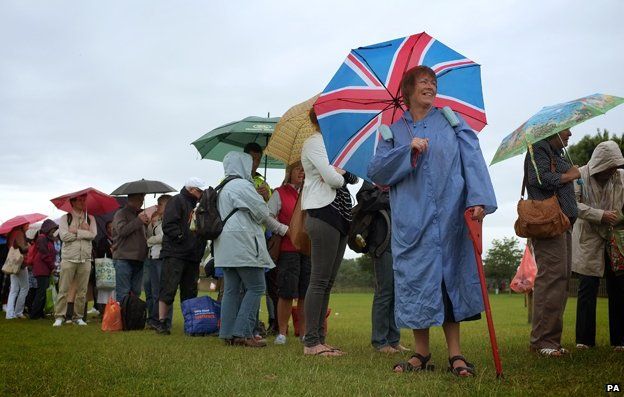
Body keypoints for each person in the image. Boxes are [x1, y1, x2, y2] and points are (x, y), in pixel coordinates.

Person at [368, 66, 497, 376]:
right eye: (423, 82)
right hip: (413, 222)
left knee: (449, 281)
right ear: (408, 91)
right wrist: (406, 151)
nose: (430, 87)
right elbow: (378, 172)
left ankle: (456, 355)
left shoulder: (452, 122)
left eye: (433, 83)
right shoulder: (392, 132)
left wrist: (477, 199)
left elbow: (473, 157)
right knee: (417, 284)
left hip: (452, 217)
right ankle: (421, 353)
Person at [301, 109, 359, 356]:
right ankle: (311, 342)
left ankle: (320, 339)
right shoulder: (315, 142)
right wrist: (340, 172)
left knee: (328, 282)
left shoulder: (336, 145)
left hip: (340, 215)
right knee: (319, 280)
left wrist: (341, 171)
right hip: (322, 213)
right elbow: (334, 180)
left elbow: (354, 177)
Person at [524, 128, 579, 356]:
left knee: (562, 278)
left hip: (562, 223)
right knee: (551, 279)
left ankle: (551, 340)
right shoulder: (538, 148)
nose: (570, 134)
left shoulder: (556, 153)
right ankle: (542, 342)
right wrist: (570, 176)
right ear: (553, 131)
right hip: (549, 223)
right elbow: (539, 178)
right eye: (566, 130)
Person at [215, 152, 274, 347]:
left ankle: (227, 333)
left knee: (231, 290)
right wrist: (262, 197)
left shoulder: (222, 187)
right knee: (256, 287)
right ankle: (243, 333)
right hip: (244, 243)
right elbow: (262, 212)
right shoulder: (243, 185)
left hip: (225, 245)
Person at [572, 141, 624, 352]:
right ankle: (584, 340)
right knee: (588, 286)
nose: (613, 170)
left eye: (615, 166)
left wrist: (617, 216)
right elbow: (572, 204)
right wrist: (599, 215)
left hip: (613, 237)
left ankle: (620, 340)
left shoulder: (620, 177)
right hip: (588, 237)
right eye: (609, 166)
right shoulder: (579, 176)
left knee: (619, 286)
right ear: (600, 163)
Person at [356, 181, 408, 354]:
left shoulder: (400, 177)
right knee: (384, 292)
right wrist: (392, 196)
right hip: (382, 243)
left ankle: (394, 340)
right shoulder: (374, 175)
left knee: (395, 293)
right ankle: (380, 341)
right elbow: (364, 199)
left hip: (400, 244)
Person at [266, 162, 311, 345]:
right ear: (289, 172)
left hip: (307, 249)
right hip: (287, 250)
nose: (302, 172)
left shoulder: (310, 193)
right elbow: (266, 216)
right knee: (286, 292)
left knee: (305, 293)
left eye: (304, 169)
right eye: (297, 168)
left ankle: (303, 332)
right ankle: (282, 332)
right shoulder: (279, 192)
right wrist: (285, 230)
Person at [154, 179, 207, 335]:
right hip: (175, 253)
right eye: (199, 190)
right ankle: (162, 322)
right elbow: (169, 225)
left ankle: (190, 324)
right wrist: (182, 238)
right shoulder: (177, 200)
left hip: (193, 255)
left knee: (190, 291)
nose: (201, 193)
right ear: (190, 189)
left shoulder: (200, 205)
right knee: (168, 287)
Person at [244, 142, 278, 335]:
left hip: (262, 237)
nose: (255, 163)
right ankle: (245, 323)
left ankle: (266, 322)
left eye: (258, 159)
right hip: (243, 236)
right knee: (245, 284)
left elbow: (271, 211)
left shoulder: (262, 182)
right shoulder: (234, 180)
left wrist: (266, 196)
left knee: (264, 282)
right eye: (251, 159)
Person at [54, 194, 97, 327]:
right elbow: (64, 236)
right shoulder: (65, 218)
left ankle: (78, 317)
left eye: (84, 200)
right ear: (72, 202)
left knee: (82, 290)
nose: (83, 202)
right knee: (63, 289)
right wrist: (82, 232)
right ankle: (59, 316)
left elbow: (93, 235)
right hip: (68, 258)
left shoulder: (90, 218)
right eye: (80, 200)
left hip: (85, 259)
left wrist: (77, 232)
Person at [112, 193, 149, 303]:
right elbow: (122, 231)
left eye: (142, 198)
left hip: (139, 258)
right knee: (123, 292)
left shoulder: (140, 215)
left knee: (136, 292)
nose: (142, 201)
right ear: (131, 199)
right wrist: (138, 221)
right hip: (124, 258)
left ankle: (132, 317)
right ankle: (123, 318)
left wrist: (146, 224)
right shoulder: (121, 213)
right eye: (140, 198)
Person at [146, 194, 172, 330]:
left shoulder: (170, 219)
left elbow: (164, 237)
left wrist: (149, 240)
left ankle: (165, 320)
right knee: (155, 291)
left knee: (164, 291)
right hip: (154, 257)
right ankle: (156, 319)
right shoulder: (159, 220)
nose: (157, 206)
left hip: (162, 258)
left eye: (160, 204)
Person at [30, 220, 58, 320]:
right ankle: (34, 314)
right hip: (41, 268)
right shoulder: (42, 238)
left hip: (45, 268)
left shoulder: (47, 238)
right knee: (41, 292)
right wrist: (52, 266)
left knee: (43, 292)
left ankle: (40, 313)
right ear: (48, 228)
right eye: (53, 229)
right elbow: (44, 254)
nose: (54, 231)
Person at [5, 224, 30, 319]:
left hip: (12, 262)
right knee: (25, 287)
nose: (28, 226)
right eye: (27, 225)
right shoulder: (19, 233)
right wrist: (28, 246)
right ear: (22, 225)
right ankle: (18, 311)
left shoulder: (11, 233)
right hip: (20, 263)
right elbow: (23, 248)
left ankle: (9, 313)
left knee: (14, 289)